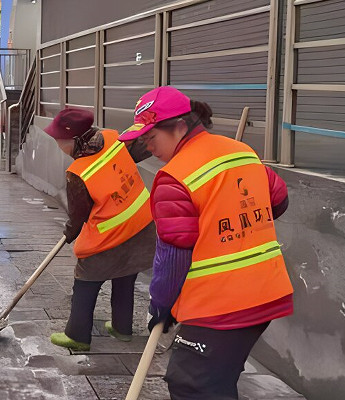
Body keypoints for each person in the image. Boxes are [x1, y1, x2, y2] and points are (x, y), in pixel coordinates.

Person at [118, 86, 293, 399]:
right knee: (212, 382)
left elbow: (172, 257)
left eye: (151, 136)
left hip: (222, 302)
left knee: (192, 383)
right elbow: (278, 201)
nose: (149, 146)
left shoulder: (175, 177)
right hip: (265, 291)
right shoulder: (239, 150)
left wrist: (160, 305)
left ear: (180, 126)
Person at [42, 108, 155, 351]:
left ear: (75, 140)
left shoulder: (78, 172)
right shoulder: (114, 139)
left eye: (60, 141)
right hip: (142, 226)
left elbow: (78, 215)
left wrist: (69, 233)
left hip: (109, 235)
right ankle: (122, 329)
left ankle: (77, 336)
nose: (59, 145)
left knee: (85, 282)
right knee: (125, 276)